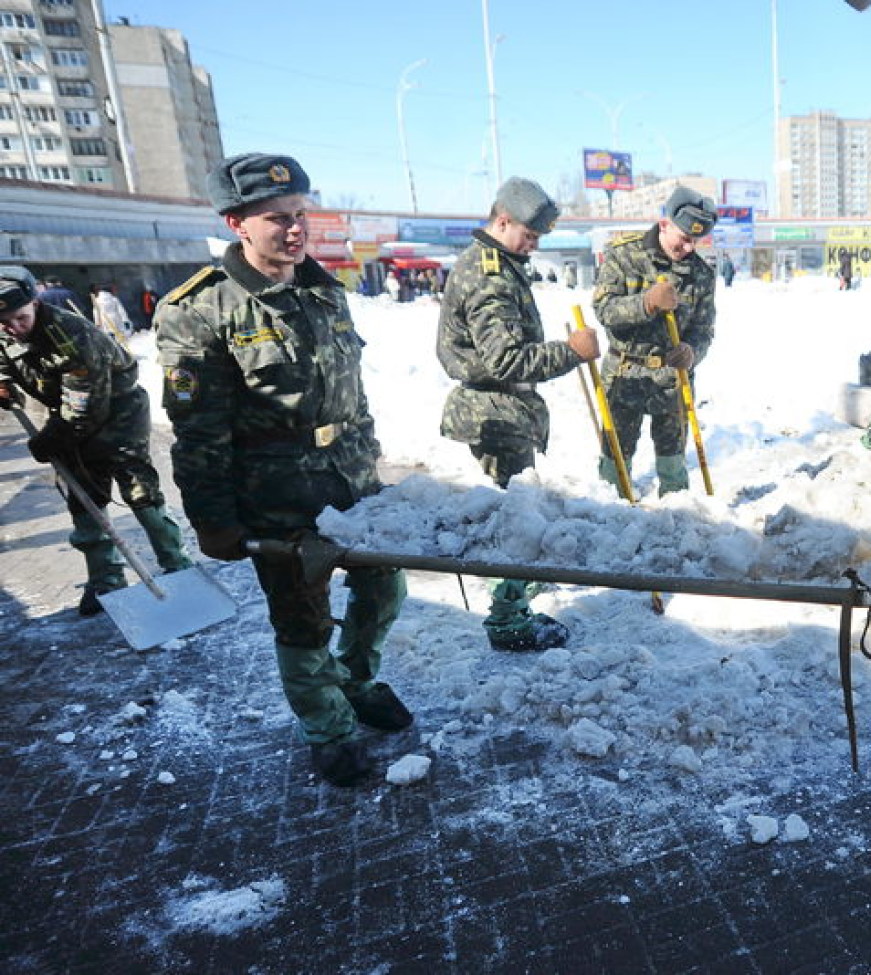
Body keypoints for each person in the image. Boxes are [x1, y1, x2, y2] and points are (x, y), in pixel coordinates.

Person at [154, 153, 411, 788]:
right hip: (278, 497)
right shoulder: (200, 310)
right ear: (237, 222)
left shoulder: (324, 290)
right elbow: (198, 434)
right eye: (278, 219)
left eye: (301, 214)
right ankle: (326, 727)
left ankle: (355, 682)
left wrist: (369, 463)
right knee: (301, 617)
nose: (296, 229)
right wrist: (213, 520)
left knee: (385, 591)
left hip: (351, 485)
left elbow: (354, 396)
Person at [437, 176, 599, 652]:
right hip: (496, 411)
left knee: (514, 514)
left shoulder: (501, 264)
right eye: (528, 236)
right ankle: (509, 621)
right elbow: (504, 361)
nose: (532, 246)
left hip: (503, 409)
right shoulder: (489, 276)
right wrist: (569, 351)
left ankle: (514, 600)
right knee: (513, 526)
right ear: (501, 219)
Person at [0, 265, 193, 616]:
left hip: (117, 411)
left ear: (35, 305)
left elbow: (84, 407)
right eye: (4, 323)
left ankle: (177, 563)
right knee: (83, 494)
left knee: (138, 487)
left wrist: (51, 440)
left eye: (20, 319)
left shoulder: (72, 335)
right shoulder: (4, 332)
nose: (13, 329)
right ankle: (106, 579)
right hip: (63, 412)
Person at [591, 186, 717, 496]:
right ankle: (612, 517)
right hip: (624, 375)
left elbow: (703, 329)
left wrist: (692, 352)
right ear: (664, 224)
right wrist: (645, 303)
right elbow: (604, 310)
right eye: (683, 238)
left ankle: (675, 523)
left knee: (673, 467)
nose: (688, 248)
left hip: (672, 380)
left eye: (695, 241)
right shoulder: (624, 255)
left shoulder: (701, 274)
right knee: (615, 463)